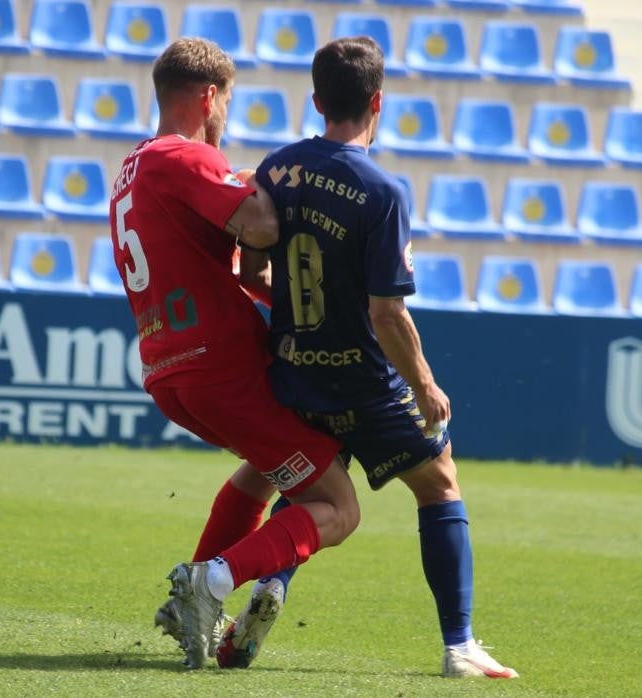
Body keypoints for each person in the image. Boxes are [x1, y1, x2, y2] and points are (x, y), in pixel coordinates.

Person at [218, 36, 519, 679]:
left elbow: (255, 267)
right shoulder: (381, 190)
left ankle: (271, 585)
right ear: (377, 101)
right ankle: (458, 645)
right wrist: (426, 384)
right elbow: (388, 314)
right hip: (363, 381)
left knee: (305, 486)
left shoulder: (275, 170)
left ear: (317, 100)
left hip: (294, 375)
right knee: (439, 485)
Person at [108, 37, 361, 670]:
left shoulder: (132, 167)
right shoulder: (184, 156)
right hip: (221, 366)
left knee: (266, 467)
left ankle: (191, 597)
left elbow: (233, 267)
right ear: (209, 97)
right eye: (227, 103)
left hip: (170, 370)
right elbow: (264, 227)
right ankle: (212, 582)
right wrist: (262, 185)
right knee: (335, 506)